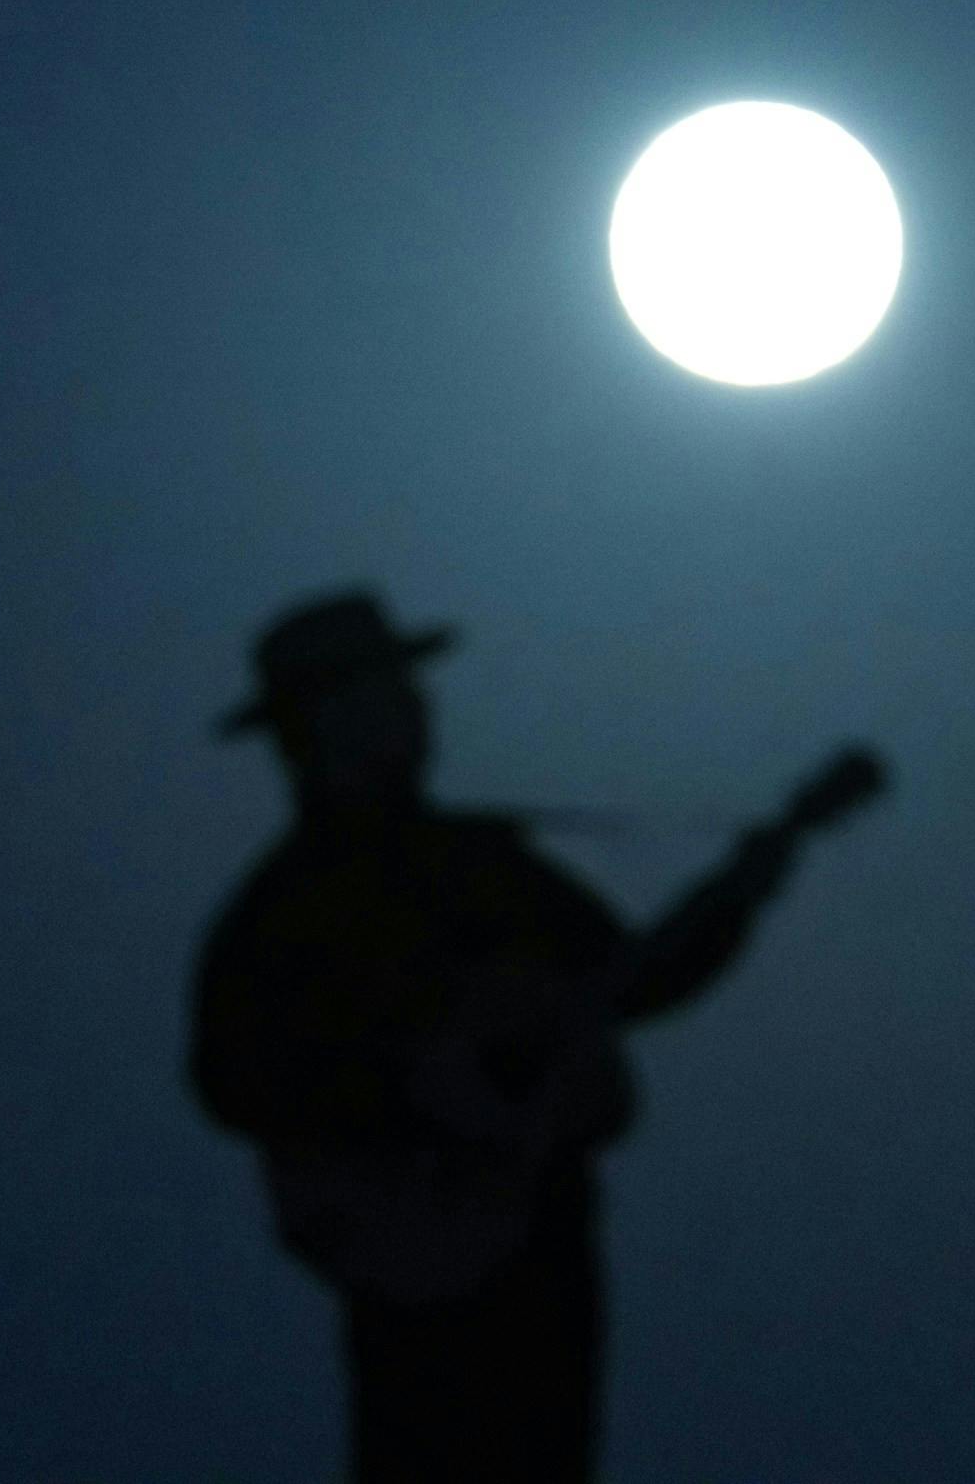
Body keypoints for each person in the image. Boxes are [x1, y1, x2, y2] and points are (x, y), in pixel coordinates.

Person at [186, 588, 882, 1484]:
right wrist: (405, 1087)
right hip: (422, 1258)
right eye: (382, 692)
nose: (415, 708)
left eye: (409, 689)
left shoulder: (490, 865)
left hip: (537, 1234)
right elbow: (230, 1072)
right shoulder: (286, 905)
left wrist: (745, 891)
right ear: (313, 726)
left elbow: (631, 979)